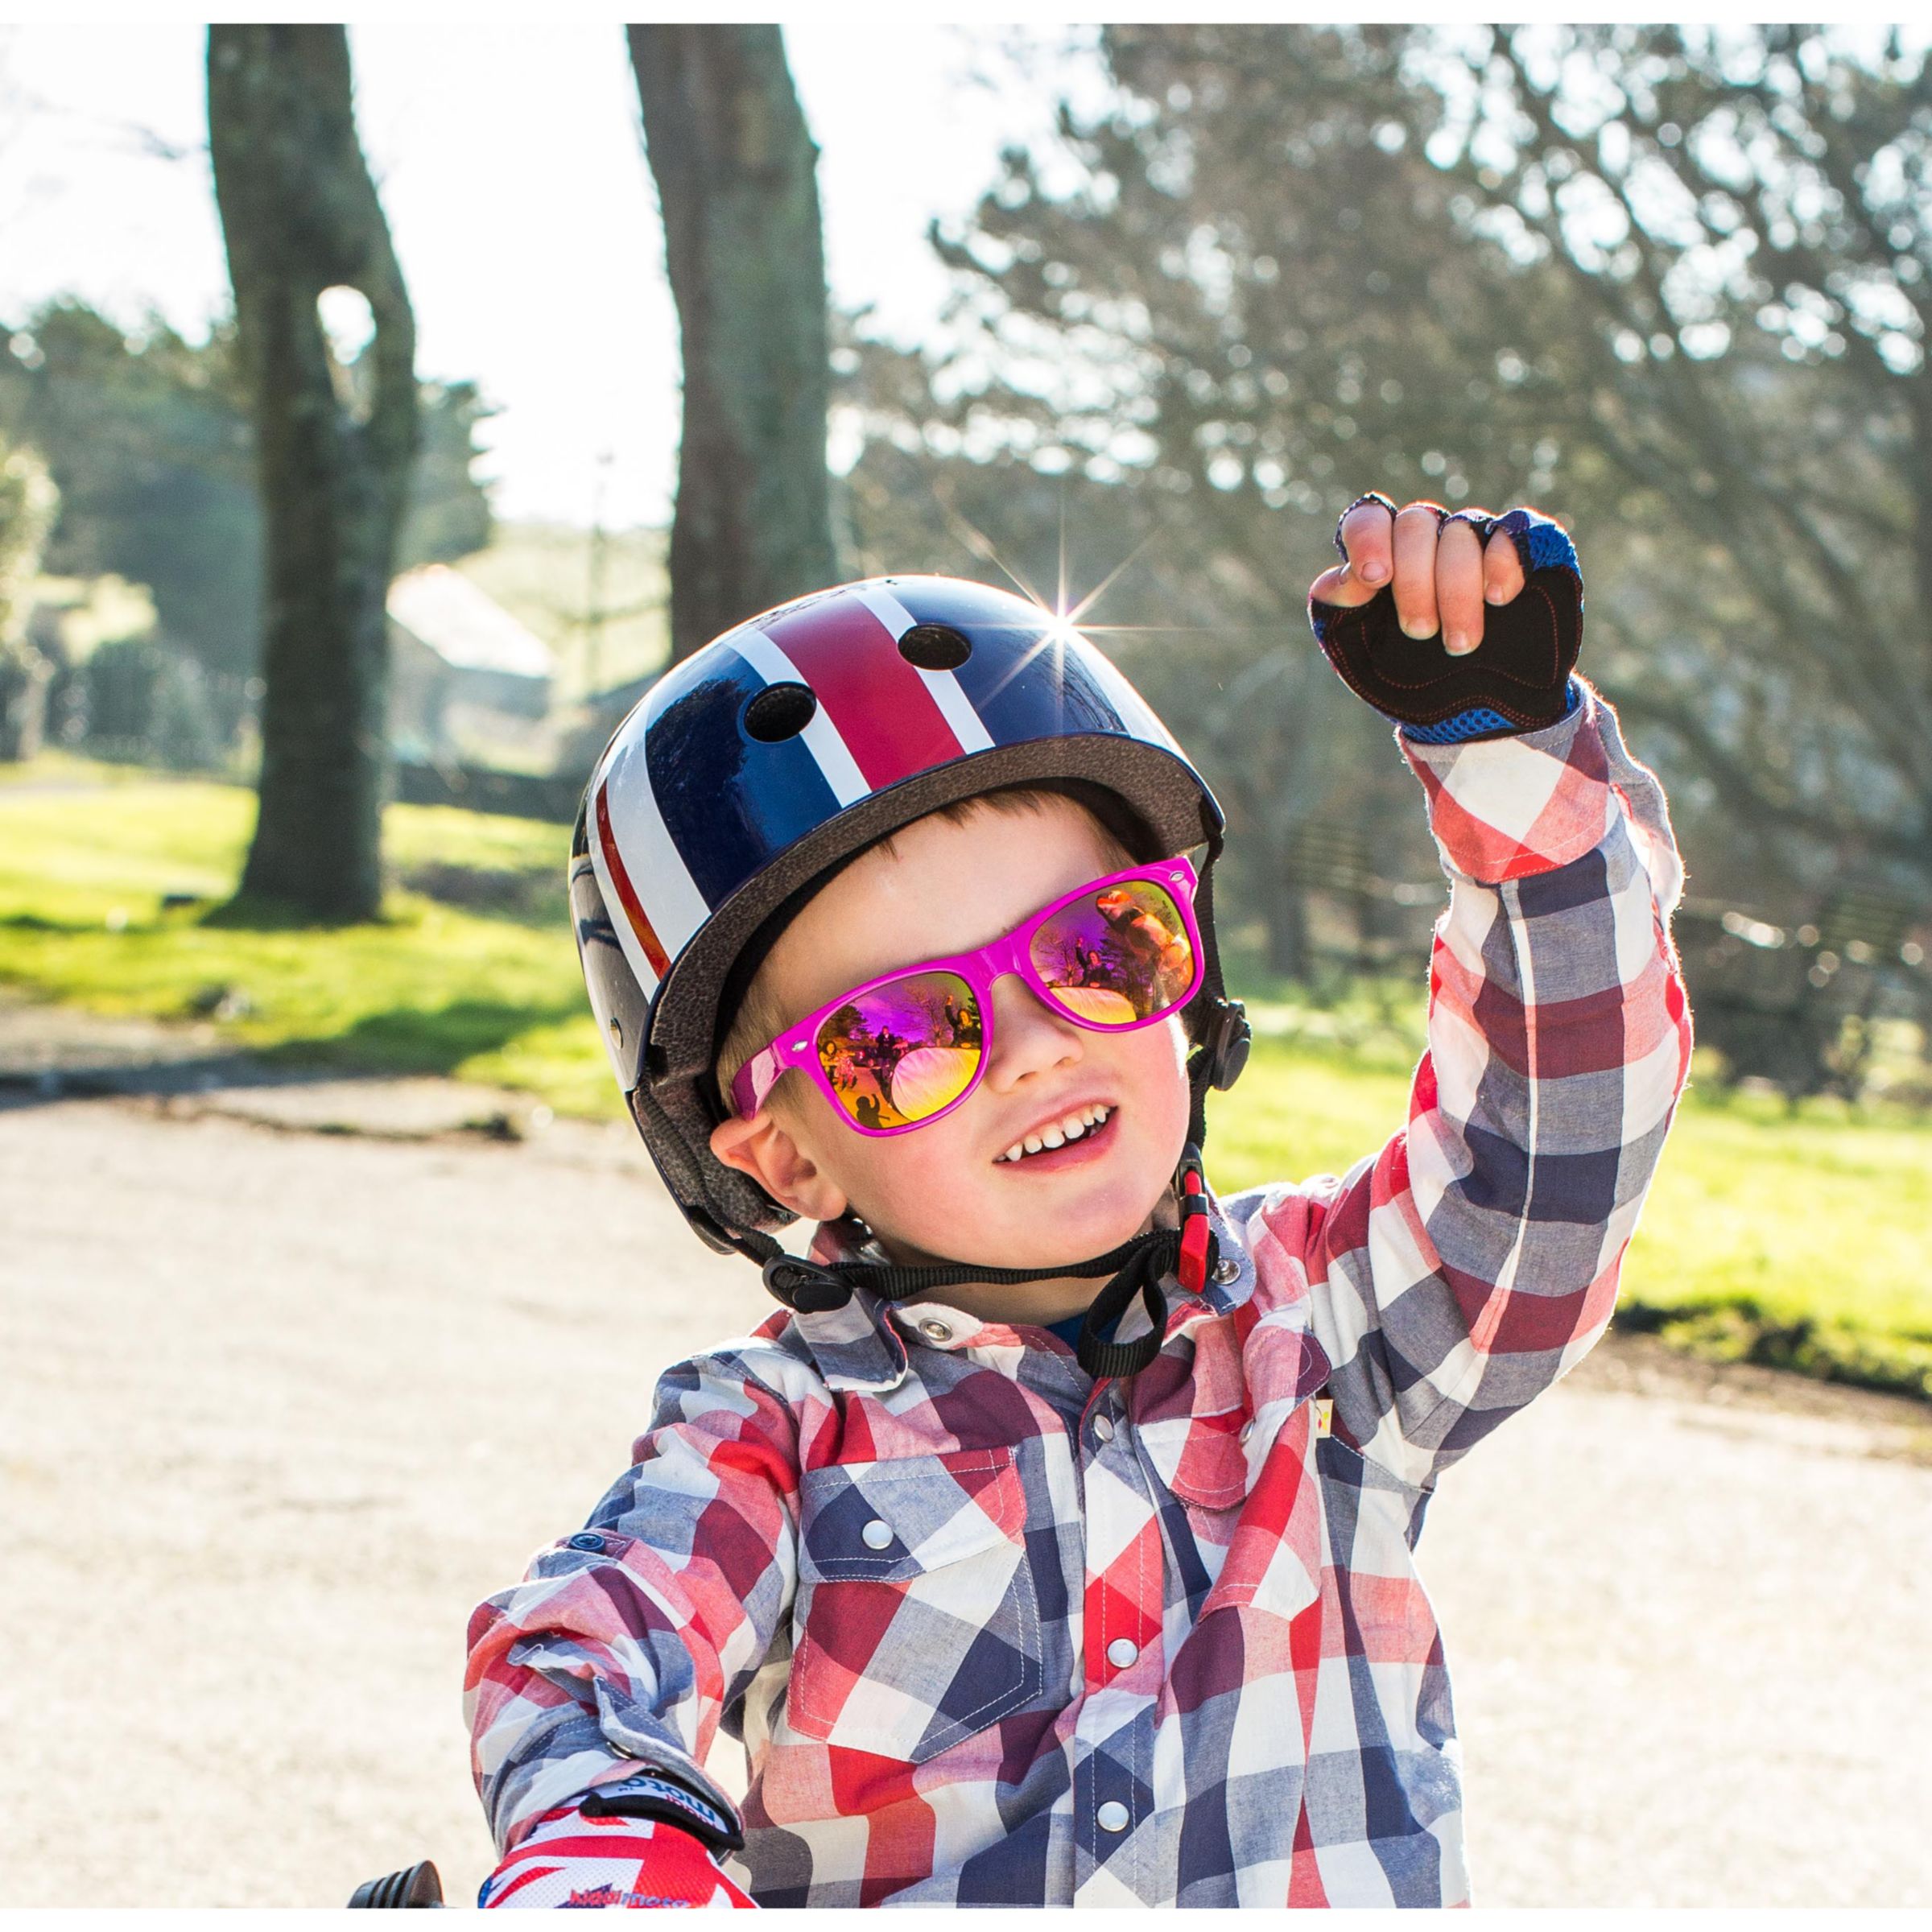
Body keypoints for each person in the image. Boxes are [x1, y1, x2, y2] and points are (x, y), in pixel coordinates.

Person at [466, 496, 1691, 1909]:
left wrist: (1509, 760)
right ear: (785, 1162)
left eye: (1103, 946)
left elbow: (1555, 1151)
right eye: (904, 1036)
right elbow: (592, 1645)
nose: (1039, 1043)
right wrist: (605, 1842)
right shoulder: (774, 1437)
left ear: (1190, 966)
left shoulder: (1322, 1330)